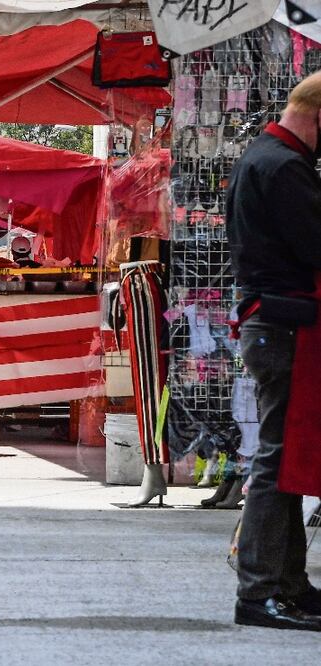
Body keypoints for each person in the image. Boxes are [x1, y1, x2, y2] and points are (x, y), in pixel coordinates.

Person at [225, 73, 321, 632]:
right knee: (277, 459)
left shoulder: (262, 156)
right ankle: (260, 591)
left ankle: (285, 584)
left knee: (282, 458)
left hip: (272, 322)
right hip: (282, 324)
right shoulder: (283, 166)